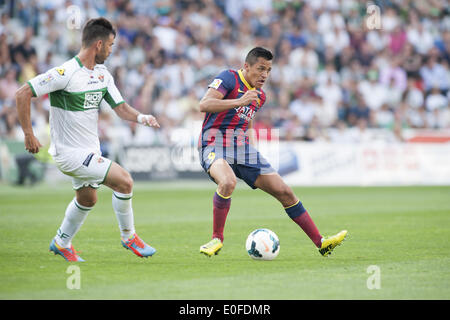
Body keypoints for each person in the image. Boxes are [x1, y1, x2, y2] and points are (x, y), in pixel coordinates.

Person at [15, 18, 160, 262]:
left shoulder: (102, 74)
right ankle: (129, 236)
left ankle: (61, 242)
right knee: (125, 181)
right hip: (69, 154)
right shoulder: (65, 73)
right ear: (99, 44)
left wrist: (143, 117)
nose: (111, 51)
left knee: (87, 199)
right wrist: (28, 133)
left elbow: (121, 108)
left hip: (89, 151)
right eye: (111, 45)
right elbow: (22, 93)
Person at [198, 47, 347, 257]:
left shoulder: (260, 96)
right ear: (246, 66)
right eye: (260, 69)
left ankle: (321, 242)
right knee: (228, 182)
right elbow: (204, 104)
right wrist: (239, 101)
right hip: (214, 142)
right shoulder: (229, 78)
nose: (265, 75)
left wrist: (252, 147)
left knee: (284, 191)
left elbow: (246, 120)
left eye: (268, 70)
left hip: (242, 149)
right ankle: (216, 239)